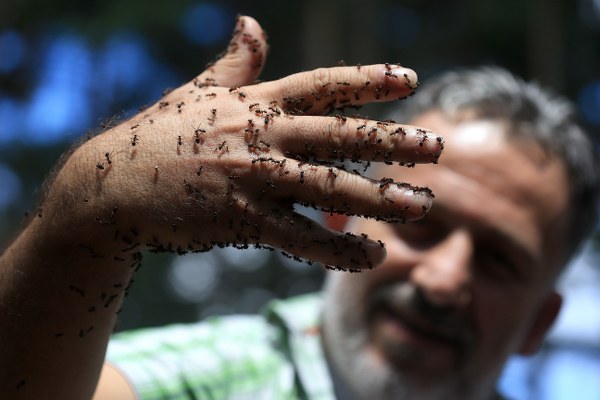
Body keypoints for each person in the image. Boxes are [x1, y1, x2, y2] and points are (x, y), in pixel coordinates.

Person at [0, 15, 596, 400]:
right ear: (339, 215)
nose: (444, 281)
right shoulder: (211, 379)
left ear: (539, 323)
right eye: (418, 222)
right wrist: (80, 224)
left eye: (498, 261)